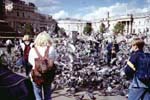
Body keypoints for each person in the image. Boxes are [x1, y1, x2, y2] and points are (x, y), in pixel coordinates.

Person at [28, 31, 57, 100]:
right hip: (48, 75)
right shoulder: (51, 49)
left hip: (36, 75)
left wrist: (38, 65)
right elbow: (54, 59)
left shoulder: (33, 49)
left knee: (37, 95)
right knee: (48, 95)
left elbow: (30, 61)